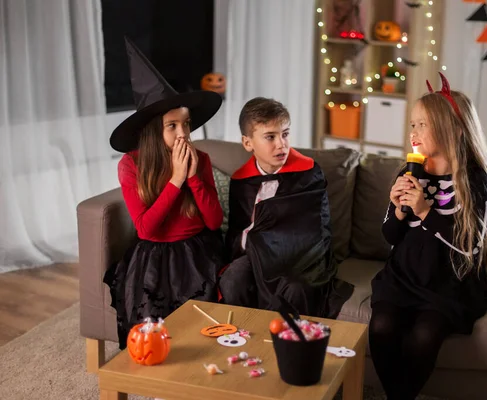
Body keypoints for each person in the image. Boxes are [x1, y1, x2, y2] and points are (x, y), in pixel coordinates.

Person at [369, 73, 487, 400]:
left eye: (422, 125)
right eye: (412, 124)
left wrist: (426, 211)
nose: (413, 133)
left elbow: (470, 249)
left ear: (454, 130)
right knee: (381, 327)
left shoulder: (474, 182)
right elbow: (390, 235)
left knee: (425, 335)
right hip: (403, 277)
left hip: (449, 283)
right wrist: (398, 208)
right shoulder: (409, 171)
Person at [104, 38, 225, 349]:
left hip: (198, 251)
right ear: (154, 130)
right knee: (153, 329)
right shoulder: (131, 165)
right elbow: (145, 229)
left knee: (203, 325)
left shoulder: (203, 159)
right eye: (172, 126)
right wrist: (175, 180)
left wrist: (194, 178)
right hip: (154, 255)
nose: (183, 133)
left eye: (186, 124)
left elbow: (213, 221)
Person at [218, 97, 353, 318]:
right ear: (248, 143)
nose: (281, 144)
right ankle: (242, 337)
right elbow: (238, 230)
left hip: (302, 258)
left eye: (285, 134)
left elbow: (316, 230)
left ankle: (287, 344)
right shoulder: (241, 181)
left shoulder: (308, 173)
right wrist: (253, 241)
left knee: (296, 288)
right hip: (256, 257)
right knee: (233, 279)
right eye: (270, 137)